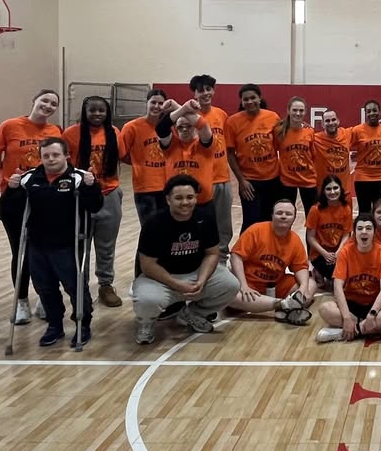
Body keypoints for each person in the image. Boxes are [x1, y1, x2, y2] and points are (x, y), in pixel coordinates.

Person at [5, 138, 103, 347]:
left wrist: (91, 187)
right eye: (46, 156)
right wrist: (11, 190)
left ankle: (83, 324)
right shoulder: (29, 179)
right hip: (37, 244)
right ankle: (54, 324)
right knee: (44, 287)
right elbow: (8, 211)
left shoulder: (78, 178)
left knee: (75, 287)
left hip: (67, 244)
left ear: (66, 155)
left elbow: (94, 206)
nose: (50, 159)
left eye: (55, 155)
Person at [131, 175, 240, 345]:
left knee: (231, 285)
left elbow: (212, 254)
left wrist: (202, 280)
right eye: (179, 198)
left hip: (194, 273)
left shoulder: (205, 218)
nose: (185, 202)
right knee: (147, 300)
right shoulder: (154, 223)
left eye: (190, 197)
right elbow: (147, 265)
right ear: (168, 199)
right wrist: (177, 284)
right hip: (160, 279)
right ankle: (146, 323)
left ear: (196, 198)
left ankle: (193, 314)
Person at [0, 89, 62, 325]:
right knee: (20, 251)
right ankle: (21, 301)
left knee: (45, 250)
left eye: (53, 104)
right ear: (34, 101)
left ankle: (45, 297)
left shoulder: (55, 131)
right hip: (15, 197)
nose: (48, 105)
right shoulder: (10, 126)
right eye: (45, 100)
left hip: (45, 198)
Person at [63, 95, 127, 307]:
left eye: (102, 110)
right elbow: (64, 165)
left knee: (106, 245)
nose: (97, 113)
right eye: (92, 110)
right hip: (80, 196)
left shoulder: (114, 132)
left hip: (109, 193)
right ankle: (81, 285)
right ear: (84, 111)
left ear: (107, 112)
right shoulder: (71, 134)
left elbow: (123, 156)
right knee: (81, 245)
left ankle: (105, 285)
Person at [316, 214, 381, 343]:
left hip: (374, 305)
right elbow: (337, 287)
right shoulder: (345, 252)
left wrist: (372, 314)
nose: (364, 232)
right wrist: (346, 318)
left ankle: (348, 332)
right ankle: (377, 329)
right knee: (325, 308)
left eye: (368, 228)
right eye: (360, 228)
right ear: (354, 233)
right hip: (351, 304)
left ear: (375, 232)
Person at [228, 200, 313, 325]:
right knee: (229, 296)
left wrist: (303, 288)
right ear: (272, 215)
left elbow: (300, 267)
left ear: (294, 218)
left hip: (275, 285)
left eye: (288, 214)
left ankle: (281, 306)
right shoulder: (256, 230)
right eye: (279, 213)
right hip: (250, 285)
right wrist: (243, 285)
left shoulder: (295, 240)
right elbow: (236, 257)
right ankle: (284, 305)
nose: (283, 216)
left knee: (311, 284)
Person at [225, 83, 282, 231]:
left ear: (259, 98)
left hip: (272, 180)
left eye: (253, 98)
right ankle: (246, 247)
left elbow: (279, 146)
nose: (249, 102)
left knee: (270, 221)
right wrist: (241, 181)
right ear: (241, 101)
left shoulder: (272, 117)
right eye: (246, 99)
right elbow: (230, 154)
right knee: (250, 223)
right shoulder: (232, 122)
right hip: (249, 182)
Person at [191, 74, 232, 262]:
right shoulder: (190, 116)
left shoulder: (221, 114)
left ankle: (221, 260)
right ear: (194, 94)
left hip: (222, 178)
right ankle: (198, 259)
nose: (205, 93)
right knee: (199, 222)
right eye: (201, 90)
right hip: (200, 179)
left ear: (213, 91)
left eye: (209, 89)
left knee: (223, 224)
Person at [120, 89, 169, 225]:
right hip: (145, 187)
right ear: (146, 103)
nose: (156, 106)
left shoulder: (169, 126)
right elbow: (121, 153)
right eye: (153, 102)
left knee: (167, 228)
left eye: (161, 103)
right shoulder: (131, 127)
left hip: (167, 186)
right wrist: (137, 162)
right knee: (149, 229)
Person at [156, 99, 215, 210]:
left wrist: (176, 106)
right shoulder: (171, 145)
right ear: (175, 128)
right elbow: (160, 128)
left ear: (195, 127)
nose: (184, 129)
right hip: (176, 204)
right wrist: (183, 108)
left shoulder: (204, 145)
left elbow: (203, 126)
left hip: (202, 203)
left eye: (188, 126)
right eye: (180, 127)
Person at [305, 175, 353, 289]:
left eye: (335, 188)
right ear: (323, 191)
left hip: (338, 251)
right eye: (328, 189)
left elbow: (346, 235)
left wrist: (338, 252)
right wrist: (325, 254)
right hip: (320, 253)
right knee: (337, 278)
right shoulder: (315, 210)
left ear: (341, 189)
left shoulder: (346, 208)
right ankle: (317, 271)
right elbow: (310, 237)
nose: (332, 192)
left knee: (350, 273)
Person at [275, 96, 318, 214]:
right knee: (286, 214)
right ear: (288, 110)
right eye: (294, 110)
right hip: (287, 180)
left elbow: (313, 156)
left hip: (308, 179)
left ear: (305, 112)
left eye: (301, 110)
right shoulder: (279, 131)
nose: (298, 113)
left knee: (312, 215)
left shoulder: (310, 131)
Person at [350, 99, 381, 213]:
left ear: (379, 112)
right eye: (369, 111)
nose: (372, 113)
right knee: (364, 212)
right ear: (365, 113)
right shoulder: (357, 130)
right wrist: (353, 155)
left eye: (374, 110)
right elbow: (345, 144)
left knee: (380, 211)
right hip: (362, 177)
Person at [313, 110, 351, 199]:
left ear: (338, 121)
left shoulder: (347, 134)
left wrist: (379, 125)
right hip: (324, 191)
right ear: (322, 124)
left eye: (333, 120)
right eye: (327, 121)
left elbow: (365, 131)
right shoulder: (315, 139)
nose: (331, 123)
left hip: (344, 190)